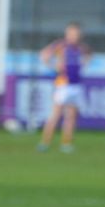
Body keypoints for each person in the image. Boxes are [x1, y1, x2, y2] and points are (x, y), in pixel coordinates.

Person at [36, 22, 92, 153]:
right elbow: (44, 55)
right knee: (55, 114)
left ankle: (66, 143)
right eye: (72, 33)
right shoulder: (61, 45)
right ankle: (45, 142)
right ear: (67, 34)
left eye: (76, 34)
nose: (74, 36)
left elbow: (89, 55)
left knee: (71, 116)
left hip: (76, 84)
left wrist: (84, 64)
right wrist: (53, 66)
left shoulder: (81, 48)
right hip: (63, 84)